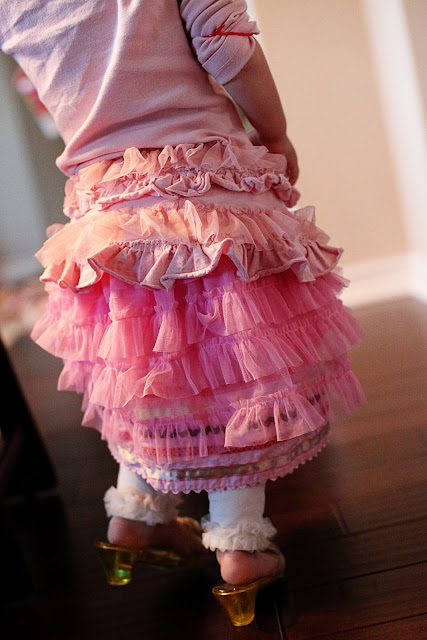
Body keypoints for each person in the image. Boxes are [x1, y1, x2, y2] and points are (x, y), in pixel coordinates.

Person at [0, 0, 365, 625]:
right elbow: (229, 45)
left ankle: (134, 516)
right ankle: (241, 544)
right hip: (203, 190)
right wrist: (274, 132)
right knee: (237, 378)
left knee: (151, 370)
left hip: (107, 208)